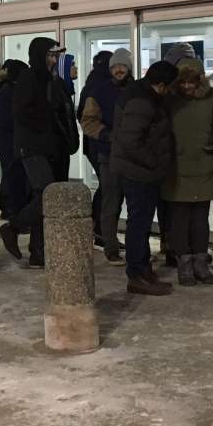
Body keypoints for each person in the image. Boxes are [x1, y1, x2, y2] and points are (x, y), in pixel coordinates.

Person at [0, 37, 78, 268]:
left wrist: (69, 139)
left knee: (45, 198)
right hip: (33, 147)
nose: (53, 61)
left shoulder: (55, 82)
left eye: (55, 56)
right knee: (45, 194)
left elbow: (65, 114)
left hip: (54, 148)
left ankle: (38, 251)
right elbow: (22, 113)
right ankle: (12, 227)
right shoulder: (28, 79)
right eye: (50, 56)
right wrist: (47, 124)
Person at [162, 58, 213, 286]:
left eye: (191, 81)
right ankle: (184, 264)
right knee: (180, 219)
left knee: (200, 217)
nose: (187, 86)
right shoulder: (169, 100)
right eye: (182, 82)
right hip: (176, 167)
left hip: (205, 164)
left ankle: (201, 262)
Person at [111, 60, 179, 295]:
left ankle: (143, 269)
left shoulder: (144, 94)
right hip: (138, 172)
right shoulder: (142, 101)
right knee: (138, 224)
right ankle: (137, 274)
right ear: (160, 84)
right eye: (169, 86)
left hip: (140, 171)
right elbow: (130, 140)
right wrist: (155, 162)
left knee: (140, 223)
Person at [79, 48, 133, 265]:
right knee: (111, 202)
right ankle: (109, 246)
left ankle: (136, 247)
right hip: (108, 155)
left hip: (134, 157)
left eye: (122, 66)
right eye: (114, 66)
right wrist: (107, 135)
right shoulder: (99, 91)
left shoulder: (138, 90)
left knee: (136, 204)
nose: (118, 70)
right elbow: (88, 120)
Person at [76, 50, 113, 235]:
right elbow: (84, 117)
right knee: (107, 188)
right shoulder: (101, 86)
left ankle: (97, 227)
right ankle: (98, 228)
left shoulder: (90, 83)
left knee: (105, 186)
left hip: (92, 144)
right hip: (100, 144)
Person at [0, 60, 27, 220]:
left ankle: (13, 210)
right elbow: (6, 120)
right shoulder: (5, 93)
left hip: (12, 142)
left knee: (14, 177)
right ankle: (10, 210)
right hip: (9, 143)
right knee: (11, 177)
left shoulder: (11, 91)